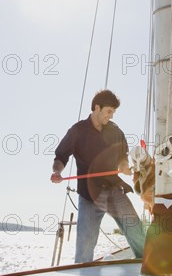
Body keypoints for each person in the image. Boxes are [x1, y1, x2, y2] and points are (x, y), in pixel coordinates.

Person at [51, 89, 146, 263]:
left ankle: (148, 264)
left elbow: (122, 155)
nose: (110, 116)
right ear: (97, 107)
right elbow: (61, 156)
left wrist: (123, 166)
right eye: (109, 111)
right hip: (90, 195)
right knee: (85, 244)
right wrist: (58, 172)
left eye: (113, 113)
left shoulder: (115, 130)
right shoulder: (77, 130)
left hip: (115, 190)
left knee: (137, 231)